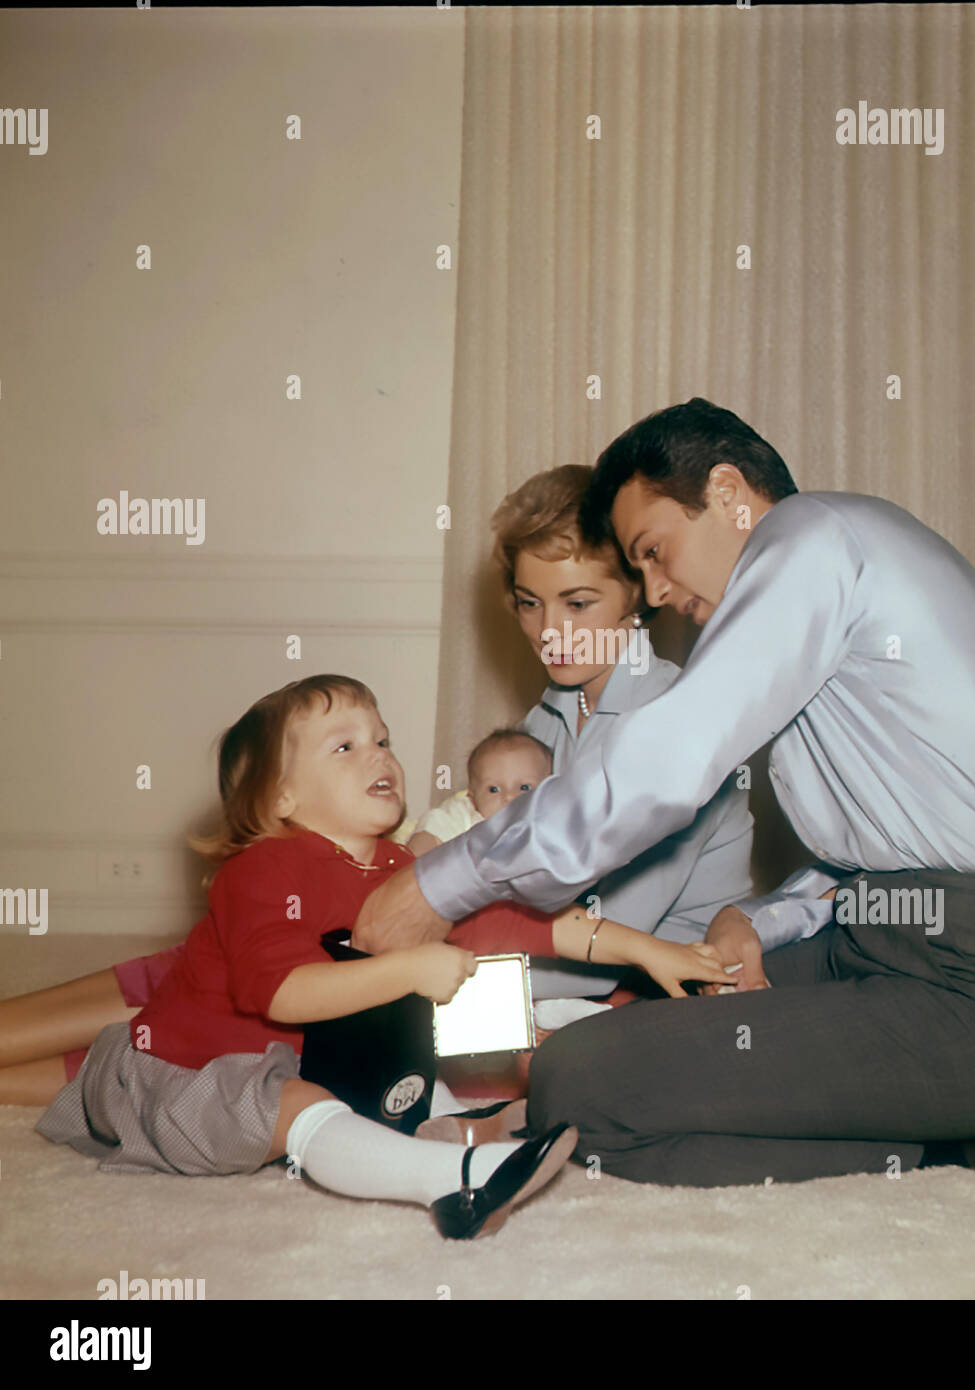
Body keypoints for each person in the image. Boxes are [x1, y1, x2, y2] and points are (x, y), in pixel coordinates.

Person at [354, 397, 975, 1188]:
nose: (653, 589)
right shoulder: (841, 585)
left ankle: (939, 1137)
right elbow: (892, 850)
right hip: (893, 945)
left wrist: (444, 879)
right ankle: (951, 1119)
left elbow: (666, 764)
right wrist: (753, 919)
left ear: (724, 491)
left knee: (573, 1078)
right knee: (669, 1020)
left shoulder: (811, 537)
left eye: (654, 550)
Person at [0, 463, 771, 1092]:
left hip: (602, 988)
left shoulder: (673, 723)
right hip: (512, 952)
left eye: (578, 601)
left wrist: (383, 948)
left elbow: (569, 933)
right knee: (223, 950)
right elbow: (472, 856)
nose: (549, 631)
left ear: (636, 594)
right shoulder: (542, 724)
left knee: (261, 987)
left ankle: (156, 1047)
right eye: (529, 604)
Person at [31, 674, 735, 1236]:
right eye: (345, 747)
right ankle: (448, 1182)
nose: (380, 757)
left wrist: (647, 951)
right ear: (279, 795)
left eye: (383, 739)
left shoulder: (402, 867)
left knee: (403, 1075)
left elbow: (524, 924)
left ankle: (478, 1131)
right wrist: (406, 968)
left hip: (311, 1060)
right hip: (190, 1075)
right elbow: (278, 997)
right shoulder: (265, 869)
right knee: (298, 1098)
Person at [405, 729, 554, 857]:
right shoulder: (465, 816)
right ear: (472, 798)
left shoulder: (552, 824)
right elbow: (427, 838)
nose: (509, 797)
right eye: (493, 789)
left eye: (524, 787)